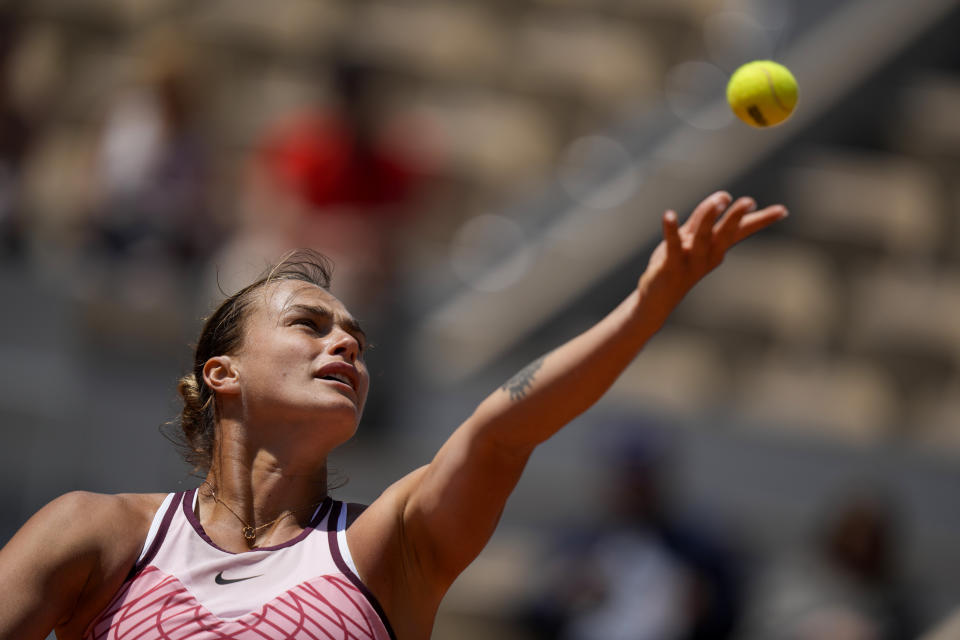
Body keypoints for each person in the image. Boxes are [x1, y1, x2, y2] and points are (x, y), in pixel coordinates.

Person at [0, 190, 786, 639]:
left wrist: (646, 309)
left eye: (356, 338)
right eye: (309, 324)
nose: (344, 343)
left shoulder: (389, 546)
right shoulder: (96, 534)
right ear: (222, 371)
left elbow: (504, 430)